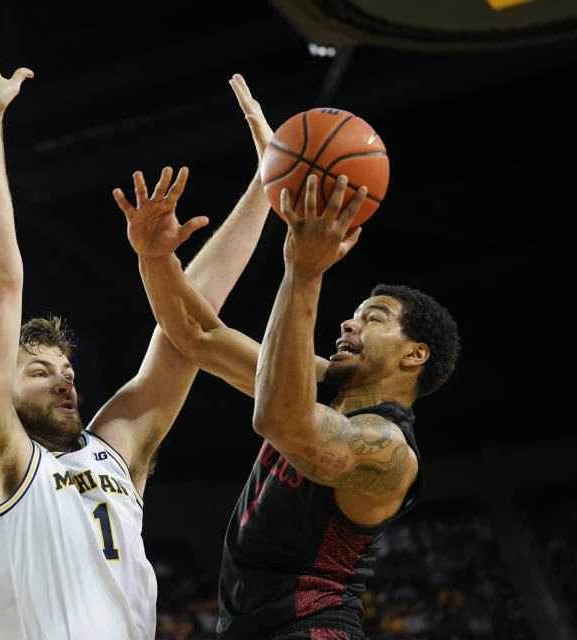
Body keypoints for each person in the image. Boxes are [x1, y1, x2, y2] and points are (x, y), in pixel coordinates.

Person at [0, 35, 280, 640]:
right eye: (38, 371)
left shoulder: (111, 452)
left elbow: (186, 331)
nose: (64, 379)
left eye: (65, 371)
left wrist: (265, 185)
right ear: (1, 392)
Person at [118, 167, 460, 638]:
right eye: (355, 314)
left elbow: (281, 420)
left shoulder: (390, 450)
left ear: (414, 355)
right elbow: (198, 334)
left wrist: (303, 271)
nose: (348, 324)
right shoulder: (318, 385)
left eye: (374, 318)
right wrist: (156, 259)